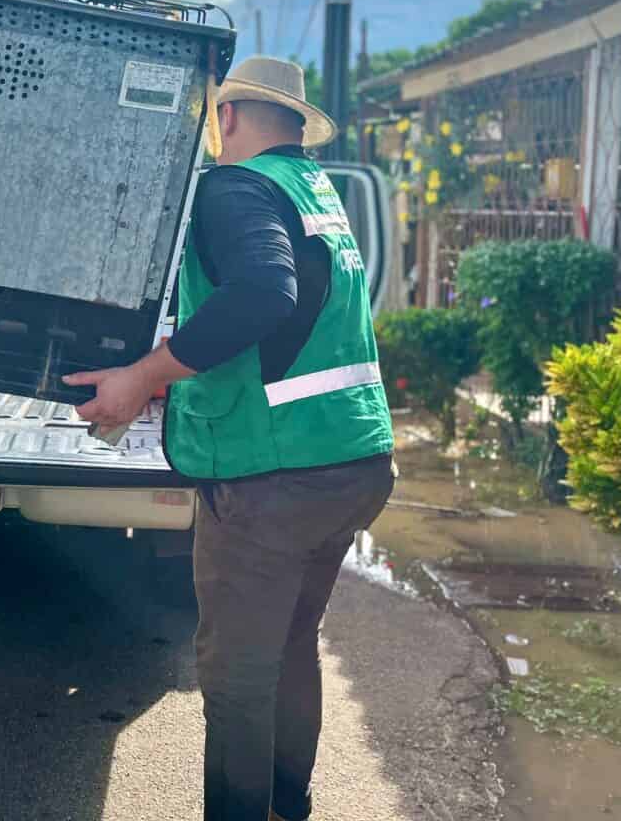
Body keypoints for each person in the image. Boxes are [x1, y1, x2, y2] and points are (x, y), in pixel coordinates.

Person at [64, 57, 395, 821]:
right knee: (290, 645)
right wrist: (169, 372)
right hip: (352, 461)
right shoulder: (317, 190)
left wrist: (147, 373)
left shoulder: (234, 186)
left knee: (237, 675)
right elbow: (292, 314)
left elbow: (262, 294)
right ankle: (288, 802)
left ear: (229, 116)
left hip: (273, 476)